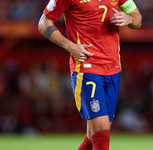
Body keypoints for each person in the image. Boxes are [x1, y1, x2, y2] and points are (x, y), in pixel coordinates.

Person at [38, 0, 142, 149]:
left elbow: (137, 18)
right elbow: (43, 23)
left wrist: (129, 19)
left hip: (113, 69)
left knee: (93, 137)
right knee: (101, 135)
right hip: (87, 68)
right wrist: (70, 46)